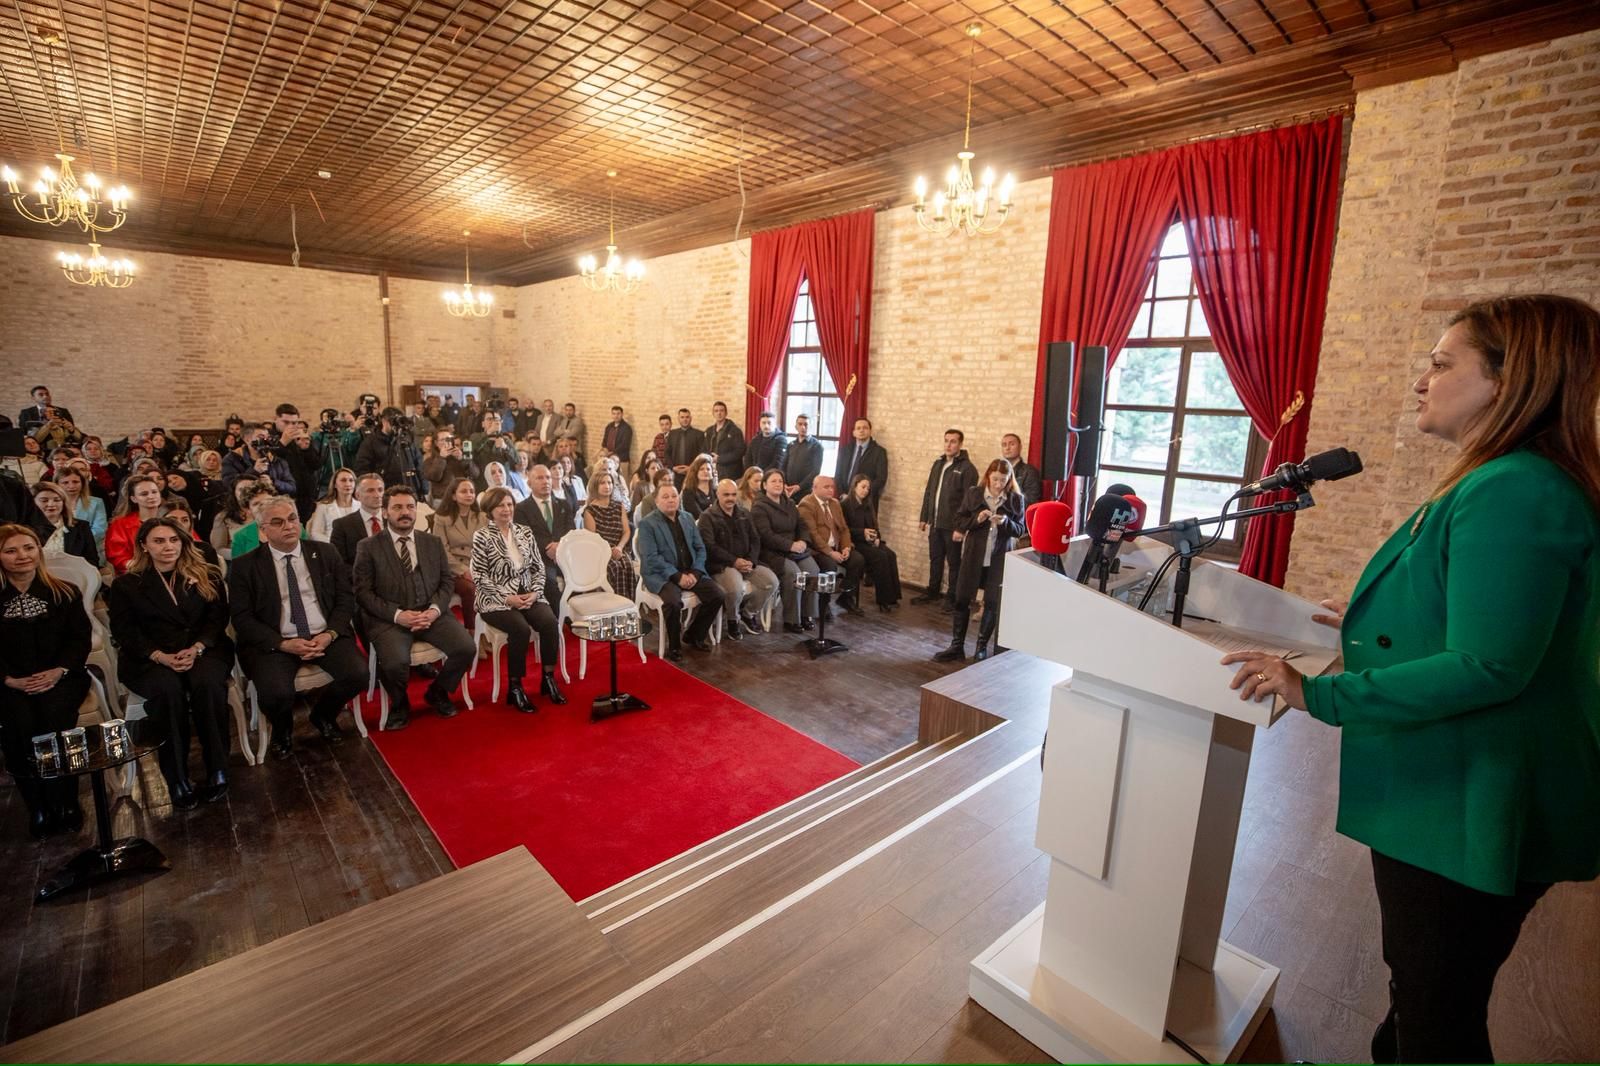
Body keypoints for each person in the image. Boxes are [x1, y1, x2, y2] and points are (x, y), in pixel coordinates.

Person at [1222, 294, 1600, 1066]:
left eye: (1441, 363)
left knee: (1436, 1012)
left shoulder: (1513, 487)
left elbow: (1489, 666)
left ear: (1507, 381)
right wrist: (1376, 614)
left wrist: (1313, 691)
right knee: (1425, 990)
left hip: (1468, 794)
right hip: (1459, 785)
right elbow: (1484, 618)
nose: (1421, 381)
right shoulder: (1507, 479)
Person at [230, 497, 369, 759]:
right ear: (263, 530)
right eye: (278, 522)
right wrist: (282, 644)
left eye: (292, 519)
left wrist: (329, 634)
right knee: (275, 693)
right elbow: (242, 618)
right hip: (275, 642)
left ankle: (323, 715)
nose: (288, 526)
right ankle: (282, 730)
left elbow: (345, 600)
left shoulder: (325, 553)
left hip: (324, 635)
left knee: (358, 674)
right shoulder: (245, 566)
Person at [109, 517, 234, 806]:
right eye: (159, 541)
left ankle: (218, 768)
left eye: (173, 540)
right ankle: (176, 777)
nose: (168, 546)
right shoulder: (127, 585)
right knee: (168, 693)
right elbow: (125, 632)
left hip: (203, 649)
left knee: (208, 685)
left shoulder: (207, 574)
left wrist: (198, 648)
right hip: (150, 657)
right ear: (144, 545)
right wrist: (159, 656)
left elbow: (217, 619)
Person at [352, 485, 475, 728]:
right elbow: (363, 593)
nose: (405, 512)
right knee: (394, 663)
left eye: (410, 507)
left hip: (432, 613)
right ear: (385, 512)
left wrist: (435, 610)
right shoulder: (368, 546)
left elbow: (446, 581)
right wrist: (398, 615)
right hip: (390, 620)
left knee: (466, 648)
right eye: (397, 507)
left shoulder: (431, 542)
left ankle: (437, 692)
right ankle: (400, 704)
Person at [0, 523, 89, 837]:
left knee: (56, 720)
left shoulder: (64, 592)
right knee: (18, 725)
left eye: (29, 547)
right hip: (10, 683)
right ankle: (37, 807)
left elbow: (79, 639)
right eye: (11, 550)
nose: (22, 556)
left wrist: (59, 671)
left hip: (61, 678)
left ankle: (67, 801)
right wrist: (9, 680)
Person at [471, 488, 566, 711]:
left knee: (550, 622)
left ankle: (548, 678)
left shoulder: (524, 532)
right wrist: (507, 598)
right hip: (495, 598)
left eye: (509, 504)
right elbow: (479, 576)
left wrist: (535, 593)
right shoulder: (482, 536)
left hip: (527, 593)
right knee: (520, 629)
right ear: (490, 510)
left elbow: (538, 567)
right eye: (501, 506)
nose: (507, 509)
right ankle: (515, 687)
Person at [935, 459, 1025, 662]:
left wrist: (1006, 522)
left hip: (998, 557)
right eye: (995, 479)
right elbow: (959, 520)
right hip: (974, 554)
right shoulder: (974, 493)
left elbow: (1020, 530)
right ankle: (956, 646)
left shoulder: (1016, 500)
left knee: (992, 602)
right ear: (988, 476)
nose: (998, 484)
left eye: (1003, 480)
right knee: (962, 598)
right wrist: (977, 520)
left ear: (1009, 479)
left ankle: (981, 648)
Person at [636, 482, 725, 661]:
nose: (671, 500)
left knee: (717, 595)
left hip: (690, 571)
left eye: (674, 496)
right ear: (657, 501)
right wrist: (677, 576)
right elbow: (651, 558)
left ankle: (694, 635)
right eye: (665, 497)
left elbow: (700, 548)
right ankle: (674, 646)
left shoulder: (687, 518)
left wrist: (696, 573)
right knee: (673, 602)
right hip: (661, 574)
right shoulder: (648, 524)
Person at [698, 478, 777, 638]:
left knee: (771, 582)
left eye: (733, 494)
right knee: (735, 588)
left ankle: (748, 613)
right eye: (726, 494)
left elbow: (755, 539)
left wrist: (751, 560)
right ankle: (733, 620)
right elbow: (709, 546)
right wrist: (734, 561)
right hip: (721, 564)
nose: (731, 498)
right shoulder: (708, 517)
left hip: (746, 561)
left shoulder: (744, 513)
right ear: (717, 494)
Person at [912, 429, 978, 609]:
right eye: (946, 441)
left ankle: (952, 597)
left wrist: (962, 528)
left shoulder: (967, 469)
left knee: (954, 563)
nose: (949, 445)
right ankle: (933, 591)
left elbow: (969, 501)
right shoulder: (938, 464)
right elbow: (929, 492)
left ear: (960, 444)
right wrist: (924, 517)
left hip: (953, 525)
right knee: (935, 559)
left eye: (953, 441)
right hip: (935, 522)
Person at [751, 467, 820, 633]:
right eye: (773, 481)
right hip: (772, 552)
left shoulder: (789, 503)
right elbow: (766, 535)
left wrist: (803, 540)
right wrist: (790, 545)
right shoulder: (759, 507)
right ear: (765, 485)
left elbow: (802, 525)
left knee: (813, 571)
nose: (778, 484)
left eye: (780, 481)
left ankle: (807, 614)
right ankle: (792, 619)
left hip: (795, 548)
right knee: (794, 574)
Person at [797, 475, 866, 616]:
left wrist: (846, 547)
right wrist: (830, 552)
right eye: (826, 487)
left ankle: (846, 598)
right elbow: (813, 535)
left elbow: (844, 529)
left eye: (832, 487)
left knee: (857, 559)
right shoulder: (807, 505)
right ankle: (824, 603)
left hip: (837, 546)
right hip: (817, 550)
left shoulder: (835, 503)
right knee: (830, 565)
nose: (831, 490)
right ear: (815, 488)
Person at [512, 465, 573, 606]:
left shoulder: (564, 505)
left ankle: (577, 612)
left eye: (548, 477)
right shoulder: (521, 509)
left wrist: (560, 547)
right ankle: (560, 617)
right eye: (539, 478)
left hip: (565, 555)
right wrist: (548, 549)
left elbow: (571, 531)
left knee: (581, 574)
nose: (545, 481)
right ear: (529, 483)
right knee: (549, 581)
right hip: (540, 559)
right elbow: (524, 538)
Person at [429, 477, 484, 632]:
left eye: (472, 491)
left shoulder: (482, 517)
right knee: (469, 588)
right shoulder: (442, 518)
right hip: (452, 570)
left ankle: (488, 630)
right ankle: (472, 631)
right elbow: (441, 550)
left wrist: (479, 568)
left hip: (477, 566)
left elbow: (487, 546)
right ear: (453, 495)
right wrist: (463, 571)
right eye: (464, 491)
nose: (469, 494)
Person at [842, 473, 901, 611]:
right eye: (863, 487)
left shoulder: (868, 504)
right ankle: (883, 600)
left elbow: (874, 526)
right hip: (855, 542)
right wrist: (862, 533)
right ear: (855, 486)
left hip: (869, 541)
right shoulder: (845, 505)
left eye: (868, 488)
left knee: (891, 555)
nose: (866, 490)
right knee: (881, 557)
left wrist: (877, 537)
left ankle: (893, 596)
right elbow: (844, 529)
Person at [582, 469, 638, 598]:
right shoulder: (590, 511)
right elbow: (593, 540)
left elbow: (626, 531)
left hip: (619, 548)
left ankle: (629, 604)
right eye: (602, 483)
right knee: (615, 568)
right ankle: (615, 604)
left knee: (627, 566)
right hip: (600, 552)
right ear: (595, 486)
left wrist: (619, 547)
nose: (607, 486)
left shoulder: (619, 506)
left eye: (609, 482)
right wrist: (608, 551)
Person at [106, 473, 171, 575]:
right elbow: (118, 557)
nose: (151, 496)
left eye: (154, 492)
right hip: (136, 573)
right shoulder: (120, 524)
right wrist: (144, 568)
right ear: (133, 499)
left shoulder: (173, 519)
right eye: (144, 494)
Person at [329, 472, 387, 575]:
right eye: (370, 490)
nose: (377, 495)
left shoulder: (393, 520)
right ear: (358, 495)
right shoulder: (342, 525)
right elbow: (338, 563)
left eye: (380, 490)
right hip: (359, 580)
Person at [354, 408, 423, 492]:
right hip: (385, 490)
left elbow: (418, 463)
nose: (396, 426)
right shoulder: (371, 442)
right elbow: (362, 469)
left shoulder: (406, 439)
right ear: (384, 421)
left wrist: (423, 488)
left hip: (409, 489)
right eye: (392, 421)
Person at [29, 482, 98, 565]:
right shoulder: (26, 529)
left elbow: (92, 560)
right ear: (33, 502)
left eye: (57, 500)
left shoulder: (81, 526)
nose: (51, 504)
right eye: (44, 500)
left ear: (63, 502)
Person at [220, 425, 297, 494]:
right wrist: (254, 472)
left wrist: (273, 482)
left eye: (267, 437)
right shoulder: (232, 458)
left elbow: (292, 488)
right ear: (247, 440)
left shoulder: (276, 459)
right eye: (261, 437)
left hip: (273, 502)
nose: (266, 440)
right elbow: (229, 485)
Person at [53, 464, 107, 561]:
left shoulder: (96, 502)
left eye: (75, 482)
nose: (71, 486)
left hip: (89, 551)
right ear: (57, 484)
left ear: (82, 483)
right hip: (58, 551)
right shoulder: (51, 505)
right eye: (65, 482)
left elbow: (100, 530)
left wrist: (76, 546)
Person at [834, 417, 889, 511]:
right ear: (854, 433)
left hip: (867, 502)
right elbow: (838, 474)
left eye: (865, 428)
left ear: (870, 431)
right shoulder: (845, 450)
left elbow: (881, 479)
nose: (861, 430)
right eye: (858, 428)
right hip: (845, 499)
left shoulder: (879, 452)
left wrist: (862, 494)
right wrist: (842, 494)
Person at [159, 497, 221, 568]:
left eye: (185, 520)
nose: (180, 524)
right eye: (172, 519)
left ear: (190, 524)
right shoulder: (153, 549)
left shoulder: (205, 550)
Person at [210, 476, 261, 557]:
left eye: (250, 488)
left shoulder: (270, 512)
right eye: (241, 489)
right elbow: (218, 549)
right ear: (234, 493)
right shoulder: (223, 517)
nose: (246, 492)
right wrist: (242, 555)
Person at [423, 430, 478, 504]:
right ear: (436, 443)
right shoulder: (430, 460)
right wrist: (441, 458)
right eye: (443, 440)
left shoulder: (460, 456)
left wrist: (462, 459)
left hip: (462, 498)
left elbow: (475, 474)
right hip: (442, 500)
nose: (446, 442)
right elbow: (434, 477)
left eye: (449, 439)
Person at [308, 468, 359, 542]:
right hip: (331, 545)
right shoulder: (323, 506)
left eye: (351, 480)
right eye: (343, 480)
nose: (348, 484)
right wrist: (333, 542)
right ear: (335, 484)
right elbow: (315, 533)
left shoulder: (362, 506)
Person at [782, 414, 823, 500]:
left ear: (811, 427)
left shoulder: (817, 446)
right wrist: (784, 483)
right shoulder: (791, 445)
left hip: (805, 491)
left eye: (806, 424)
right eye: (800, 424)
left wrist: (799, 487)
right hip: (787, 489)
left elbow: (816, 471)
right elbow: (783, 466)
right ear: (796, 427)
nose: (803, 427)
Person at [705, 401, 747, 482]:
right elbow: (705, 449)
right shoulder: (709, 431)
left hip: (730, 472)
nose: (719, 413)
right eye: (716, 411)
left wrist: (720, 459)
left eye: (721, 410)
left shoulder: (735, 431)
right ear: (713, 413)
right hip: (712, 471)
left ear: (726, 413)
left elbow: (740, 451)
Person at [665, 408, 706, 488]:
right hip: (675, 474)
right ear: (678, 419)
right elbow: (667, 453)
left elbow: (702, 454)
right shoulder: (672, 434)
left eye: (687, 417)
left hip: (693, 474)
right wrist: (673, 467)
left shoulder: (699, 434)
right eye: (682, 417)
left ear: (691, 418)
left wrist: (691, 467)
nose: (685, 419)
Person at [1001, 433, 1043, 508]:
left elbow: (1031, 501)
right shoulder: (997, 470)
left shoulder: (1030, 472)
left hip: (1017, 513)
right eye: (1004, 445)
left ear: (1020, 447)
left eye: (1012, 444)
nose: (1007, 448)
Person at [601, 406, 633, 479]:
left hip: (621, 460)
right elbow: (604, 441)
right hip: (609, 459)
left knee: (622, 480)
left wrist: (612, 452)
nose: (616, 416)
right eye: (614, 414)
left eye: (618, 414)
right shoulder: (609, 426)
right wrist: (605, 450)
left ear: (622, 414)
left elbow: (624, 445)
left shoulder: (626, 428)